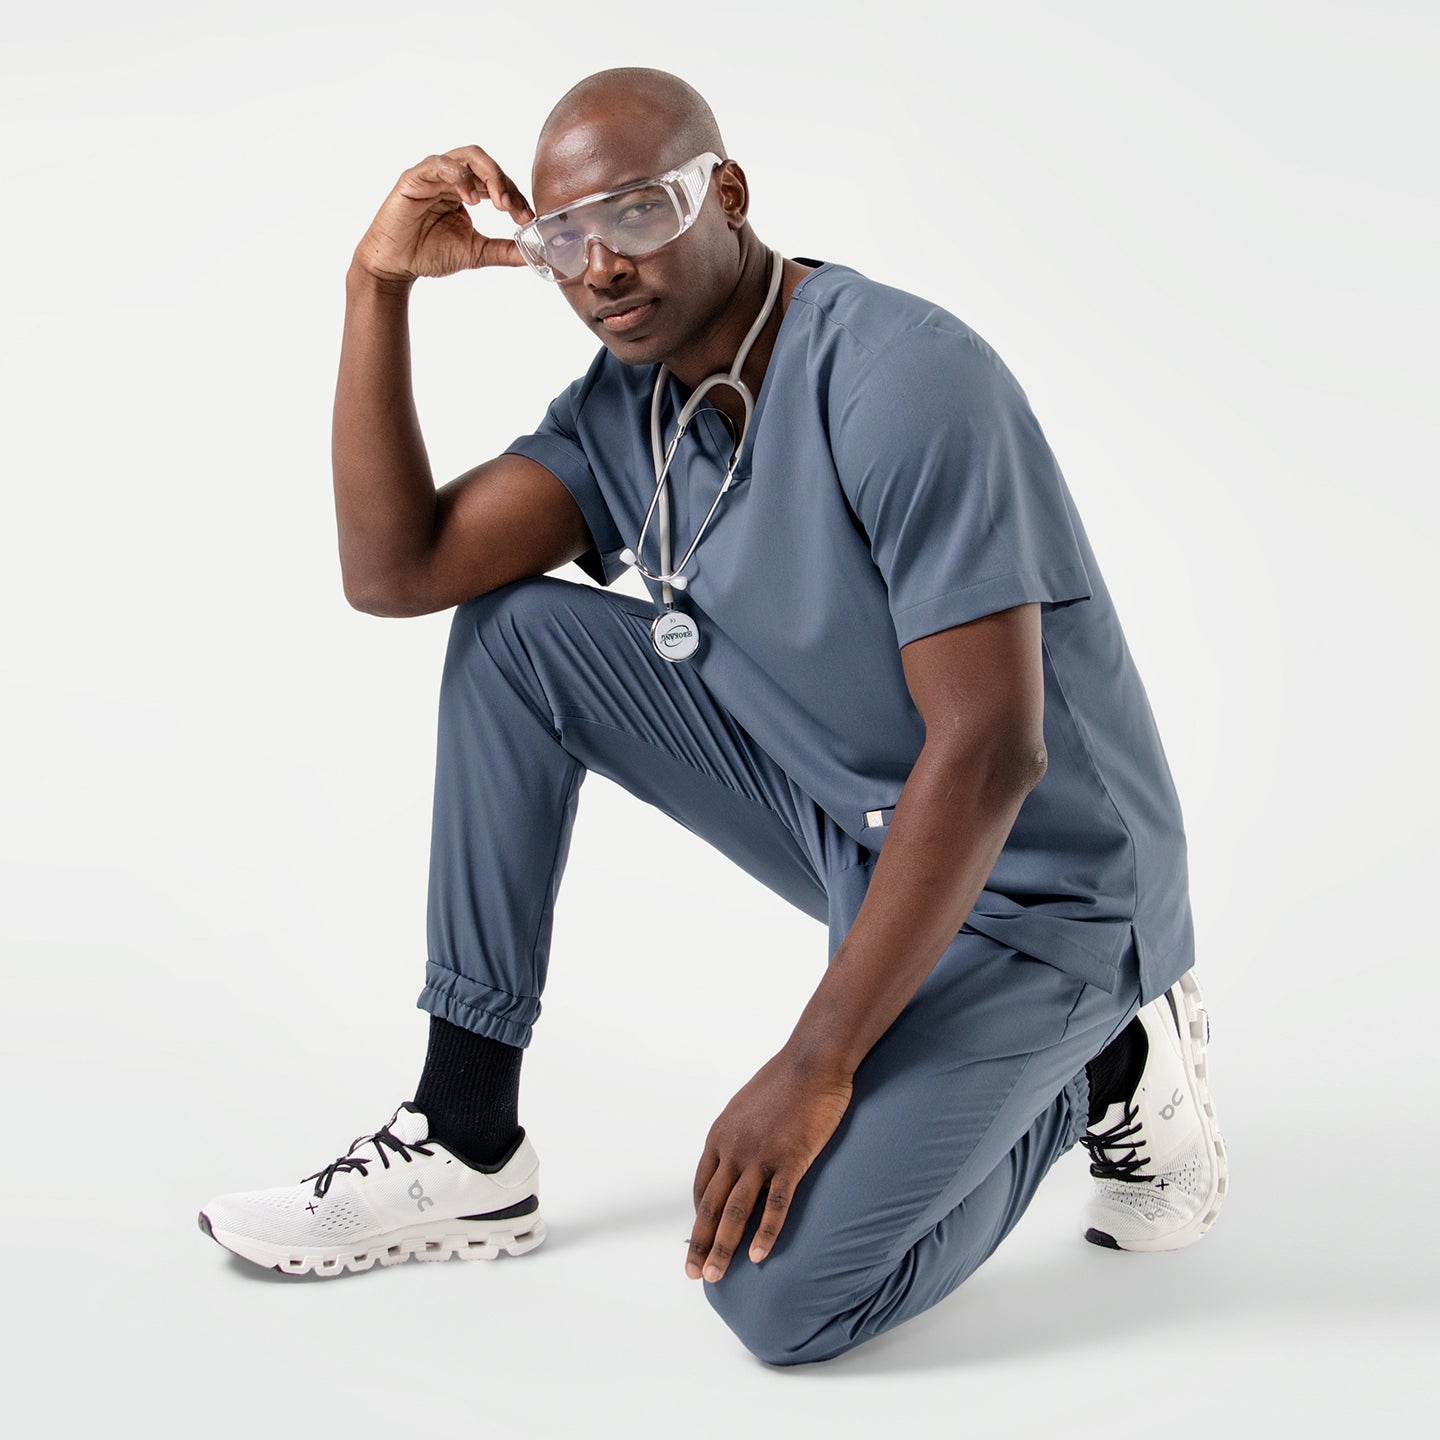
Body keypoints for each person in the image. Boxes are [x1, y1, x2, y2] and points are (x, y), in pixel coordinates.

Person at [199, 67, 1227, 1365]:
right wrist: (375, 287)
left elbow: (989, 753)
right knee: (519, 637)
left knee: (782, 1300)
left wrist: (816, 1062)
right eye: (561, 239)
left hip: (1041, 889)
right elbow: (394, 572)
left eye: (636, 214)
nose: (599, 268)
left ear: (726, 196)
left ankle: (1107, 1062)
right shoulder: (624, 406)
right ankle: (465, 1137)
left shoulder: (904, 378)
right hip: (847, 817)